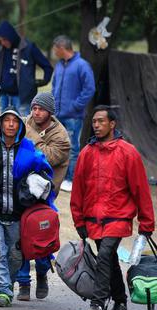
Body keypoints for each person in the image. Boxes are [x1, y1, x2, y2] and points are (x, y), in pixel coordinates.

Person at [70, 105, 155, 310]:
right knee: (109, 259)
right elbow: (78, 190)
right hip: (93, 220)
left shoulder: (128, 153)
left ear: (112, 124)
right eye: (94, 122)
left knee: (106, 255)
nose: (96, 125)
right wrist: (78, 220)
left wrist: (146, 224)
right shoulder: (86, 154)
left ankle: (97, 303)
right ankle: (120, 300)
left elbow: (141, 190)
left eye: (101, 121)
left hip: (118, 217)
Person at [0, 108, 53, 307]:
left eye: (14, 121)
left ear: (20, 125)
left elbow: (43, 173)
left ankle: (5, 284)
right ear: (0, 124)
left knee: (16, 256)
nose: (10, 124)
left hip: (19, 215)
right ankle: (4, 291)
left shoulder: (28, 149)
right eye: (6, 120)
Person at [15, 92, 71, 301]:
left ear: (50, 112)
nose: (36, 112)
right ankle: (23, 283)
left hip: (45, 197)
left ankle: (41, 273)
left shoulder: (61, 136)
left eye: (41, 109)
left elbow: (46, 156)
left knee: (41, 237)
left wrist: (26, 135)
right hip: (21, 192)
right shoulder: (23, 122)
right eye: (34, 108)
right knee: (20, 236)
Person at [51, 35, 95, 192]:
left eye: (55, 49)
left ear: (62, 48)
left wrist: (76, 106)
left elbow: (89, 88)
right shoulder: (59, 65)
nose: (54, 52)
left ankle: (71, 179)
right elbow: (55, 85)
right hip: (57, 114)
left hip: (73, 116)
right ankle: (58, 177)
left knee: (73, 147)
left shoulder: (82, 65)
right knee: (57, 145)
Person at [0, 20, 53, 117]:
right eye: (0, 40)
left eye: (4, 40)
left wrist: (44, 80)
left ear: (11, 36)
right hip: (5, 96)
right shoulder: (1, 50)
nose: (2, 43)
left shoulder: (28, 47)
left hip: (22, 97)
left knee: (24, 127)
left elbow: (47, 66)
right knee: (5, 127)